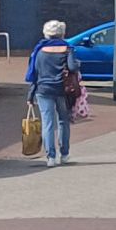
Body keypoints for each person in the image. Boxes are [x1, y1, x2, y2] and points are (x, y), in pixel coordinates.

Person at [26, 20, 80, 166]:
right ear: (62, 34)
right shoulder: (67, 49)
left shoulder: (39, 51)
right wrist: (78, 64)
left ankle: (50, 157)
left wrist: (30, 95)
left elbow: (35, 75)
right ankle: (64, 154)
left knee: (48, 123)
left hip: (43, 90)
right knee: (63, 121)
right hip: (63, 90)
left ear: (46, 34)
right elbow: (73, 67)